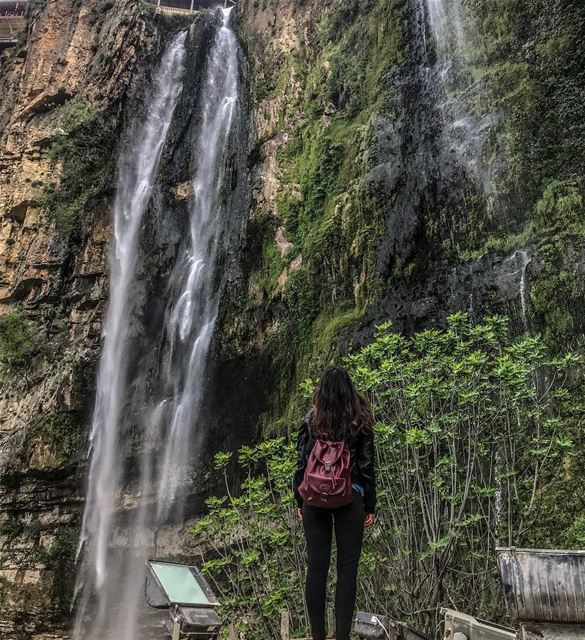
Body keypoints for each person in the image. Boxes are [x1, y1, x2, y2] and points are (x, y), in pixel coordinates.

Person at [293, 366, 376, 640]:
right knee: (347, 569)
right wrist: (369, 505)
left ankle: (317, 636)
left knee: (316, 567)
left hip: (314, 499)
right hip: (349, 498)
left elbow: (302, 463)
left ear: (321, 392)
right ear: (349, 391)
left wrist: (298, 499)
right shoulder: (360, 420)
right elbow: (367, 466)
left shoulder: (311, 420)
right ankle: (342, 637)